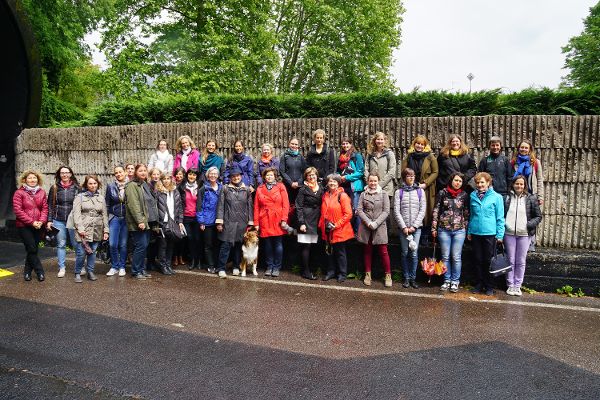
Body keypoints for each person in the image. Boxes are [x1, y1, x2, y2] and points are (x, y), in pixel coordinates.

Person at [504, 175, 542, 296]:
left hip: (525, 234)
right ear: (513, 184)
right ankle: (510, 285)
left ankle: (517, 285)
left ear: (525, 185)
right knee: (510, 260)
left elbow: (538, 216)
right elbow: (501, 214)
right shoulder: (506, 198)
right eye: (517, 183)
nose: (519, 186)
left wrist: (528, 224)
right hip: (508, 233)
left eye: (521, 184)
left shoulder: (531, 198)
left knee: (520, 261)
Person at [431, 172, 470, 293]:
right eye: (456, 180)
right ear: (451, 181)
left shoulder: (464, 195)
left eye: (460, 181)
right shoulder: (443, 193)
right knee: (445, 256)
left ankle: (455, 281)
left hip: (459, 230)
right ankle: (446, 280)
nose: (457, 183)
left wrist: (466, 228)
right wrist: (434, 228)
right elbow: (436, 210)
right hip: (444, 230)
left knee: (456, 257)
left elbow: (467, 213)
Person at [468, 172, 505, 296]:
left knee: (488, 261)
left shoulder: (497, 197)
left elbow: (500, 217)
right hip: (476, 233)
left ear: (488, 183)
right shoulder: (472, 195)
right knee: (477, 260)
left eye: (482, 182)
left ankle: (489, 286)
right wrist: (469, 231)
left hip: (490, 234)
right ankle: (479, 284)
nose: (479, 185)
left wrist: (500, 235)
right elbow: (472, 215)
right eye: (477, 182)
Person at [215, 166, 253, 278]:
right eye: (233, 176)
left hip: (241, 222)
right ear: (230, 178)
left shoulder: (246, 190)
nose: (236, 178)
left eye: (237, 176)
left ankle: (236, 266)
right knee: (225, 245)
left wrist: (250, 222)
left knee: (237, 245)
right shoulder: (225, 188)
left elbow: (250, 206)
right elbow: (221, 205)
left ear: (241, 176)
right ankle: (221, 268)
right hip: (228, 222)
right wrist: (219, 222)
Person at [72, 175, 109, 283]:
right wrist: (80, 228)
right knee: (81, 253)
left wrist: (106, 230)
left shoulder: (101, 198)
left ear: (98, 184)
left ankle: (90, 272)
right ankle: (77, 272)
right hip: (83, 228)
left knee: (92, 252)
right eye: (90, 183)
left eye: (95, 183)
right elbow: (76, 214)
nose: (93, 185)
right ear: (86, 185)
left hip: (97, 228)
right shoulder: (80, 197)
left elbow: (105, 215)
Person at [357, 174, 391, 287]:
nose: (373, 183)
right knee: (367, 250)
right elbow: (359, 210)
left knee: (383, 251)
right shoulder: (363, 194)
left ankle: (388, 275)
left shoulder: (384, 194)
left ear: (378, 181)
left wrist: (376, 223)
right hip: (366, 227)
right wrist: (368, 222)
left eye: (375, 181)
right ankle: (368, 274)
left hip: (380, 226)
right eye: (371, 181)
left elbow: (386, 211)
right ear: (367, 181)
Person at [394, 168, 427, 289]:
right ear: (404, 177)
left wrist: (414, 226)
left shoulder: (420, 192)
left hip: (416, 229)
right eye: (408, 176)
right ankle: (406, 278)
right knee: (405, 253)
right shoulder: (399, 192)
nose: (411, 178)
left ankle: (413, 278)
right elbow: (396, 211)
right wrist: (404, 227)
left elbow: (422, 210)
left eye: (413, 175)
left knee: (414, 253)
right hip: (403, 229)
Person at [13, 170, 48, 282]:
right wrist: (32, 222)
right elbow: (18, 211)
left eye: (34, 178)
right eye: (30, 178)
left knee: (33, 249)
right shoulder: (19, 193)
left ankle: (27, 272)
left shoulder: (42, 192)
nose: (32, 180)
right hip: (24, 225)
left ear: (38, 179)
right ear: (25, 180)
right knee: (32, 248)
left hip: (38, 225)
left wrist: (41, 221)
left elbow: (45, 209)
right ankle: (39, 271)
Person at [254, 167, 289, 277]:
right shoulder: (260, 188)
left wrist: (284, 219)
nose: (269, 177)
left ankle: (277, 267)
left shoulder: (281, 187)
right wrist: (256, 223)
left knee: (278, 244)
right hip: (264, 218)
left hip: (277, 218)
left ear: (275, 176)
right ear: (264, 177)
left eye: (271, 175)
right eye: (267, 175)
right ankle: (269, 266)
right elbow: (256, 207)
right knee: (268, 244)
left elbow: (286, 204)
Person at [319, 174, 354, 283]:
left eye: (334, 181)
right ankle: (331, 272)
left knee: (340, 253)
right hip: (327, 229)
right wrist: (321, 226)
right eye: (330, 181)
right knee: (329, 252)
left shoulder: (342, 196)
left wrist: (336, 225)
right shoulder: (325, 195)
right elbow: (323, 212)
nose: (332, 183)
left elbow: (348, 214)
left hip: (339, 229)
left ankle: (342, 274)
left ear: (338, 183)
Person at [46, 165, 80, 278]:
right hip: (58, 220)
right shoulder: (54, 187)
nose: (64, 175)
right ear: (59, 175)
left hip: (73, 221)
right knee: (61, 244)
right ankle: (62, 268)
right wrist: (49, 220)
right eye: (62, 173)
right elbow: (50, 205)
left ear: (71, 174)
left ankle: (80, 267)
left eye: (67, 172)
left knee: (76, 244)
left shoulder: (77, 188)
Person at [401, 135, 438, 229]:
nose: (420, 146)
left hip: (426, 188)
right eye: (418, 143)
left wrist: (425, 183)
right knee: (413, 210)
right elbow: (403, 172)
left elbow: (435, 172)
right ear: (414, 144)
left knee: (425, 211)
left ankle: (425, 234)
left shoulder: (430, 157)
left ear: (425, 146)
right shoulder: (409, 157)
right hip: (411, 188)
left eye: (422, 144)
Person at [125, 164, 153, 280]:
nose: (143, 173)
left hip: (145, 221)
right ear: (136, 173)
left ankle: (141, 269)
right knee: (140, 246)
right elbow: (133, 204)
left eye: (144, 171)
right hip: (138, 222)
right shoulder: (132, 186)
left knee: (144, 245)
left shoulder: (143, 184)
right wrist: (139, 221)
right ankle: (136, 271)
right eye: (140, 171)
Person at [295, 167, 323, 280]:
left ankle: (313, 268)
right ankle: (305, 271)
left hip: (318, 219)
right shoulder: (303, 189)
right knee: (306, 246)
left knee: (315, 246)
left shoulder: (321, 188)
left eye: (313, 175)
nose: (312, 177)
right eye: (309, 175)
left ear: (317, 176)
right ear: (306, 177)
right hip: (306, 220)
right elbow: (298, 207)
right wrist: (301, 223)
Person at [156, 173, 184, 275]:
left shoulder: (175, 192)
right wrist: (157, 223)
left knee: (171, 245)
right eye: (164, 179)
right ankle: (163, 266)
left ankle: (168, 265)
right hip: (163, 222)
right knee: (163, 245)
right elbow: (155, 208)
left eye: (168, 179)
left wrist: (180, 221)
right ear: (161, 180)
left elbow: (180, 208)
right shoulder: (158, 192)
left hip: (174, 222)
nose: (166, 181)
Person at [196, 166, 222, 273]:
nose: (213, 175)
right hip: (207, 221)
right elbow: (199, 206)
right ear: (207, 175)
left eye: (215, 174)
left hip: (219, 220)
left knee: (218, 244)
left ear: (218, 175)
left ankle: (217, 264)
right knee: (208, 244)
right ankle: (210, 265)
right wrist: (201, 221)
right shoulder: (203, 189)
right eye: (211, 173)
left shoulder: (222, 187)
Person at [105, 165, 128, 277]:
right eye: (116, 173)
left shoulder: (131, 185)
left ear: (125, 172)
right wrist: (108, 218)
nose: (118, 174)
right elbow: (107, 203)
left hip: (127, 219)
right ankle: (114, 266)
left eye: (120, 172)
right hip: (114, 217)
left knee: (123, 244)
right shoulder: (110, 186)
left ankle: (122, 266)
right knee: (113, 244)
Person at [337, 137, 365, 232]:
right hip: (344, 187)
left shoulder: (357, 156)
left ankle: (358, 232)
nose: (345, 146)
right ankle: (348, 231)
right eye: (343, 144)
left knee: (356, 210)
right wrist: (338, 177)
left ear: (351, 144)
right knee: (345, 210)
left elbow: (360, 172)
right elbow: (338, 171)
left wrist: (347, 177)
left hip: (354, 187)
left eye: (347, 143)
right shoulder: (340, 158)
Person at [179, 168, 201, 270]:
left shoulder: (200, 187)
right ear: (187, 175)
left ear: (197, 176)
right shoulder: (182, 187)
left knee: (198, 239)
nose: (192, 176)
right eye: (190, 174)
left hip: (197, 217)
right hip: (186, 217)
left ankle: (199, 260)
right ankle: (192, 260)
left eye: (194, 175)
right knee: (190, 239)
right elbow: (179, 203)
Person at [364, 131, 396, 199]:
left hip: (385, 189)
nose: (380, 141)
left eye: (381, 139)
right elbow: (366, 168)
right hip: (371, 188)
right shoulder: (370, 153)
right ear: (375, 140)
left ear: (385, 141)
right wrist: (370, 183)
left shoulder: (389, 153)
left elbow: (391, 171)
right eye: (378, 139)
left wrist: (379, 185)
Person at [511, 139, 544, 205]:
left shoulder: (535, 162)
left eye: (526, 148)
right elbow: (510, 179)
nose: (524, 149)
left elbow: (539, 180)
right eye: (522, 147)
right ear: (518, 149)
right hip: (516, 194)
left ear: (529, 150)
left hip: (531, 194)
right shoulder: (513, 162)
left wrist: (540, 197)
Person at [279, 137, 306, 205]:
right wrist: (290, 183)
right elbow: (282, 171)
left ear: (298, 146)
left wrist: (298, 182)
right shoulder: (284, 156)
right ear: (289, 144)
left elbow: (304, 171)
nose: (294, 146)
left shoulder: (301, 157)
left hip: (299, 186)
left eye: (296, 144)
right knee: (288, 204)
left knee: (298, 205)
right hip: (287, 185)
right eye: (292, 144)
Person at [172, 166, 187, 266]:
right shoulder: (173, 185)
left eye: (181, 174)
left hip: (184, 213)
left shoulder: (186, 185)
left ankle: (181, 256)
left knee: (182, 237)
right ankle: (175, 257)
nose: (179, 176)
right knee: (175, 237)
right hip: (174, 213)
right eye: (177, 174)